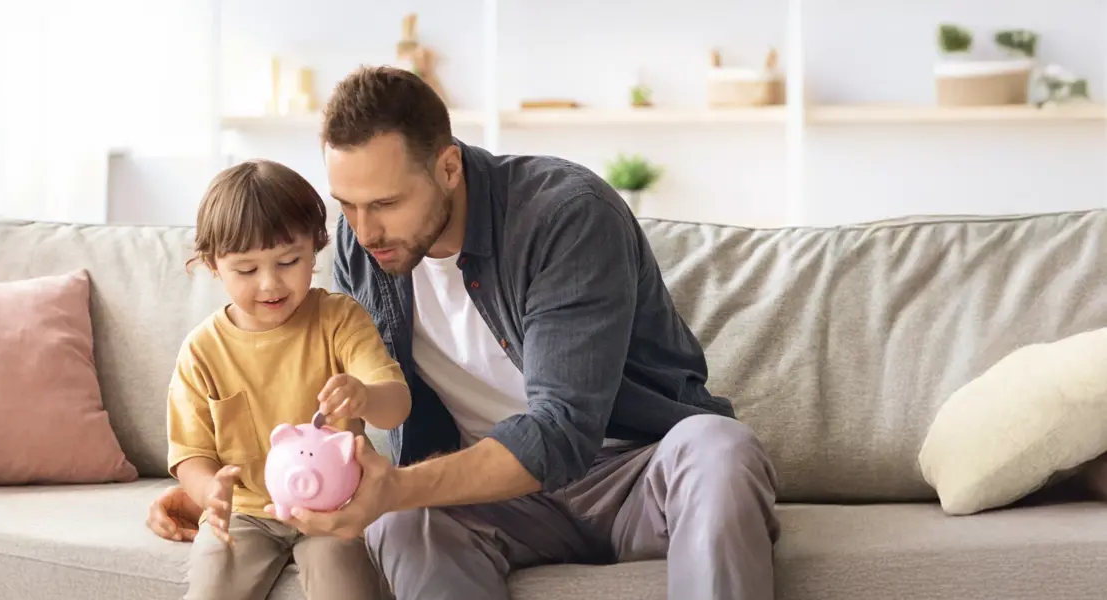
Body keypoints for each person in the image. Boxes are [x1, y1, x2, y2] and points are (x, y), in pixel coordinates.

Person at [149, 65, 780, 600]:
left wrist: (396, 487)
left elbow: (560, 433)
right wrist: (222, 489)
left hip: (635, 474)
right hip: (498, 498)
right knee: (402, 526)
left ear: (448, 166)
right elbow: (325, 390)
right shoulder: (360, 247)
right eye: (347, 204)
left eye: (387, 204)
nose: (364, 232)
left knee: (718, 449)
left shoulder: (565, 216)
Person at [165, 158, 409, 600]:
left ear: (315, 247)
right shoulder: (202, 351)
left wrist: (364, 397)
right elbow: (191, 454)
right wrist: (210, 492)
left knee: (345, 585)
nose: (270, 283)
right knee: (211, 587)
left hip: (336, 507)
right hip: (246, 513)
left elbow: (396, 407)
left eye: (289, 261)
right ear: (211, 264)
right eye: (246, 270)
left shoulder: (339, 320)